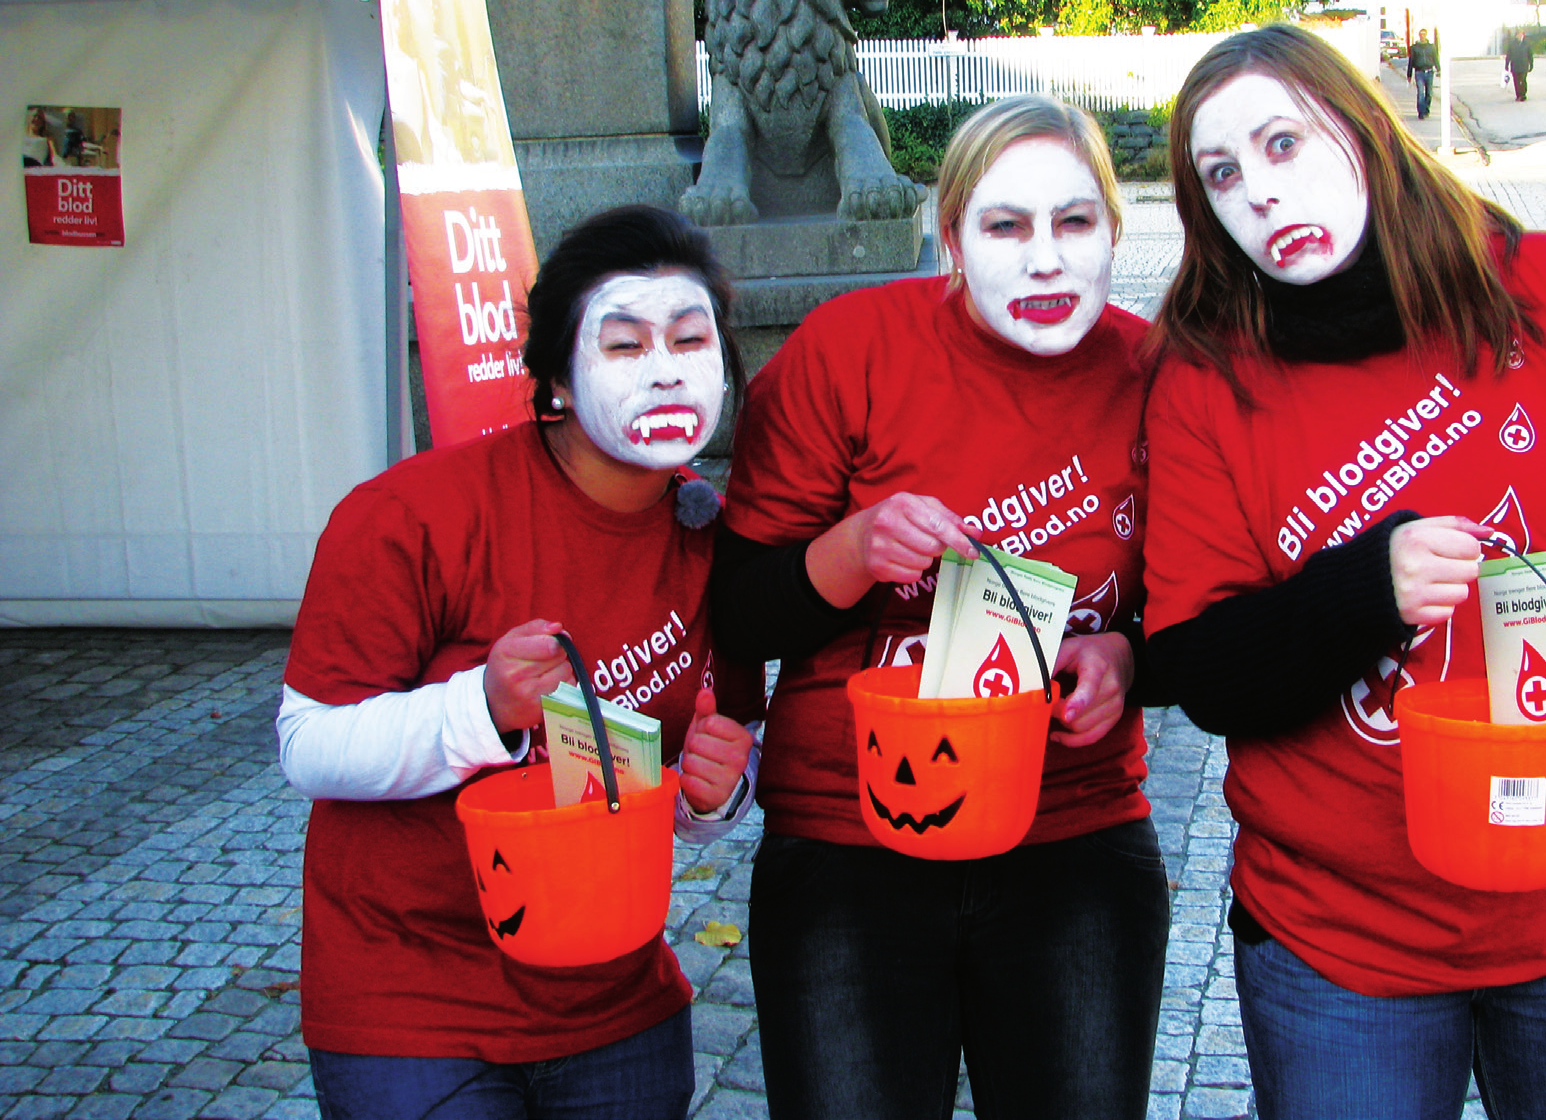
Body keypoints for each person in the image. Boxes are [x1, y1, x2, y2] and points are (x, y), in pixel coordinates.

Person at [1142, 24, 1546, 1119]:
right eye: (1221, 174)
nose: (1261, 195)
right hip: (1339, 947)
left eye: (1285, 144)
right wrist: (1358, 594)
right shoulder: (1206, 380)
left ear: (1368, 133)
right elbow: (1200, 664)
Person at [713, 95, 1167, 1120]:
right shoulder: (847, 351)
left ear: (1111, 231)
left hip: (1074, 830)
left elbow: (1204, 605)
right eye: (1004, 225)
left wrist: (1128, 659)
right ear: (950, 237)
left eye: (1074, 222)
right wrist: (852, 548)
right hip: (850, 836)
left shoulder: (1155, 371)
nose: (1043, 259)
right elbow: (738, 617)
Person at [279, 205, 762, 1120]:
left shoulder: (711, 542)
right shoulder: (412, 516)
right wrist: (483, 709)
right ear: (557, 379)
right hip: (412, 1000)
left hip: (612, 1000)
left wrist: (716, 794)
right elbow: (307, 744)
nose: (665, 369)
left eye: (691, 340)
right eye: (623, 346)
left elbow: (700, 771)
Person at [1408, 29, 1439, 120]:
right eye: (1421, 34)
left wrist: (1439, 69)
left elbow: (1435, 58)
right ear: (1419, 35)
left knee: (1429, 93)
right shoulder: (1414, 47)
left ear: (1426, 35)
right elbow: (1411, 61)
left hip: (1429, 72)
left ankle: (1426, 109)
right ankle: (1421, 112)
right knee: (1421, 92)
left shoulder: (1431, 47)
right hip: (1419, 72)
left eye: (1424, 34)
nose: (1422, 36)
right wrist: (1409, 74)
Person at [1504, 30, 1533, 102]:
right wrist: (1507, 64)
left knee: (1523, 80)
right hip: (1515, 65)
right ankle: (1518, 95)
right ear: (1516, 36)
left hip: (1524, 66)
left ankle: (1523, 95)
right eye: (1518, 35)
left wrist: (1531, 64)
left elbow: (1530, 55)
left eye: (1521, 34)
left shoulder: (1526, 44)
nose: (1520, 36)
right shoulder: (1512, 44)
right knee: (1516, 81)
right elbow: (1508, 55)